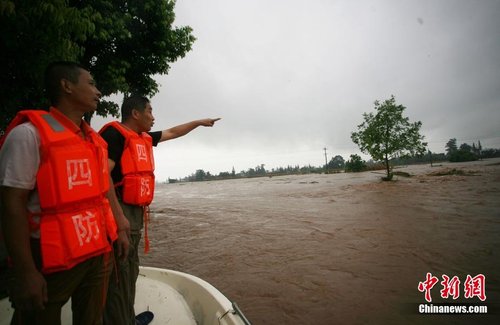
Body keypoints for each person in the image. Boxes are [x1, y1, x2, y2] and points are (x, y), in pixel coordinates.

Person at [0, 61, 130, 325]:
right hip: (49, 259)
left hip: (96, 254)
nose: (98, 91)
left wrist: (120, 226)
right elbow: (11, 203)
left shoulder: (94, 142)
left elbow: (104, 189)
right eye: (91, 83)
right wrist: (25, 272)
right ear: (66, 85)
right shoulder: (29, 135)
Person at [99, 95, 220, 325]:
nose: (153, 117)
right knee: (119, 274)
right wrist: (118, 218)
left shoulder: (142, 138)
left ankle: (125, 318)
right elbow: (102, 177)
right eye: (150, 111)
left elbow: (173, 132)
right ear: (135, 113)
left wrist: (198, 122)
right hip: (119, 212)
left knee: (130, 270)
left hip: (135, 213)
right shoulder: (114, 135)